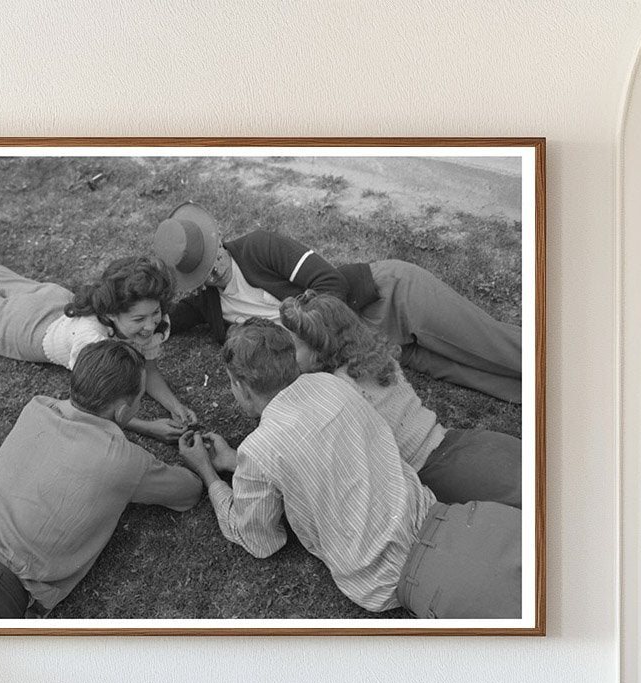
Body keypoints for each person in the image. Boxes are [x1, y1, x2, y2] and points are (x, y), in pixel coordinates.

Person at [176, 318, 521, 618]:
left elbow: (260, 539)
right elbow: (317, 453)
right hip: (463, 520)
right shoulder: (332, 385)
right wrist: (237, 461)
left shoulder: (260, 449)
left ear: (241, 386)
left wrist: (209, 475)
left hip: (399, 578)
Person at [0, 341, 203, 619]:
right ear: (120, 411)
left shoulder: (38, 407)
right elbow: (188, 492)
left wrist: (138, 424)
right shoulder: (123, 460)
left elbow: (87, 416)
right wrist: (197, 461)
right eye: (138, 400)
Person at [152, 202, 522, 404]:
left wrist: (311, 345)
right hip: (367, 351)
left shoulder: (259, 246)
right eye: (202, 274)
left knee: (492, 346)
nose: (213, 273)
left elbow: (329, 282)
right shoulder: (209, 304)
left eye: (213, 261)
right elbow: (170, 319)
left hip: (386, 297)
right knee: (466, 373)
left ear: (218, 241)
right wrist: (144, 325)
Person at [0, 214, 196, 441]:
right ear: (112, 314)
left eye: (155, 313)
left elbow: (148, 368)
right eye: (138, 320)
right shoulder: (92, 344)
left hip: (55, 300)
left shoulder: (152, 324)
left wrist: (175, 405)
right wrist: (150, 428)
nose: (150, 326)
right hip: (27, 329)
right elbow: (93, 409)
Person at [278, 290, 521, 507]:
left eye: (294, 347)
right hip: (463, 441)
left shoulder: (337, 390)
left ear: (318, 349)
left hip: (435, 471)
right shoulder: (374, 357)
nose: (288, 354)